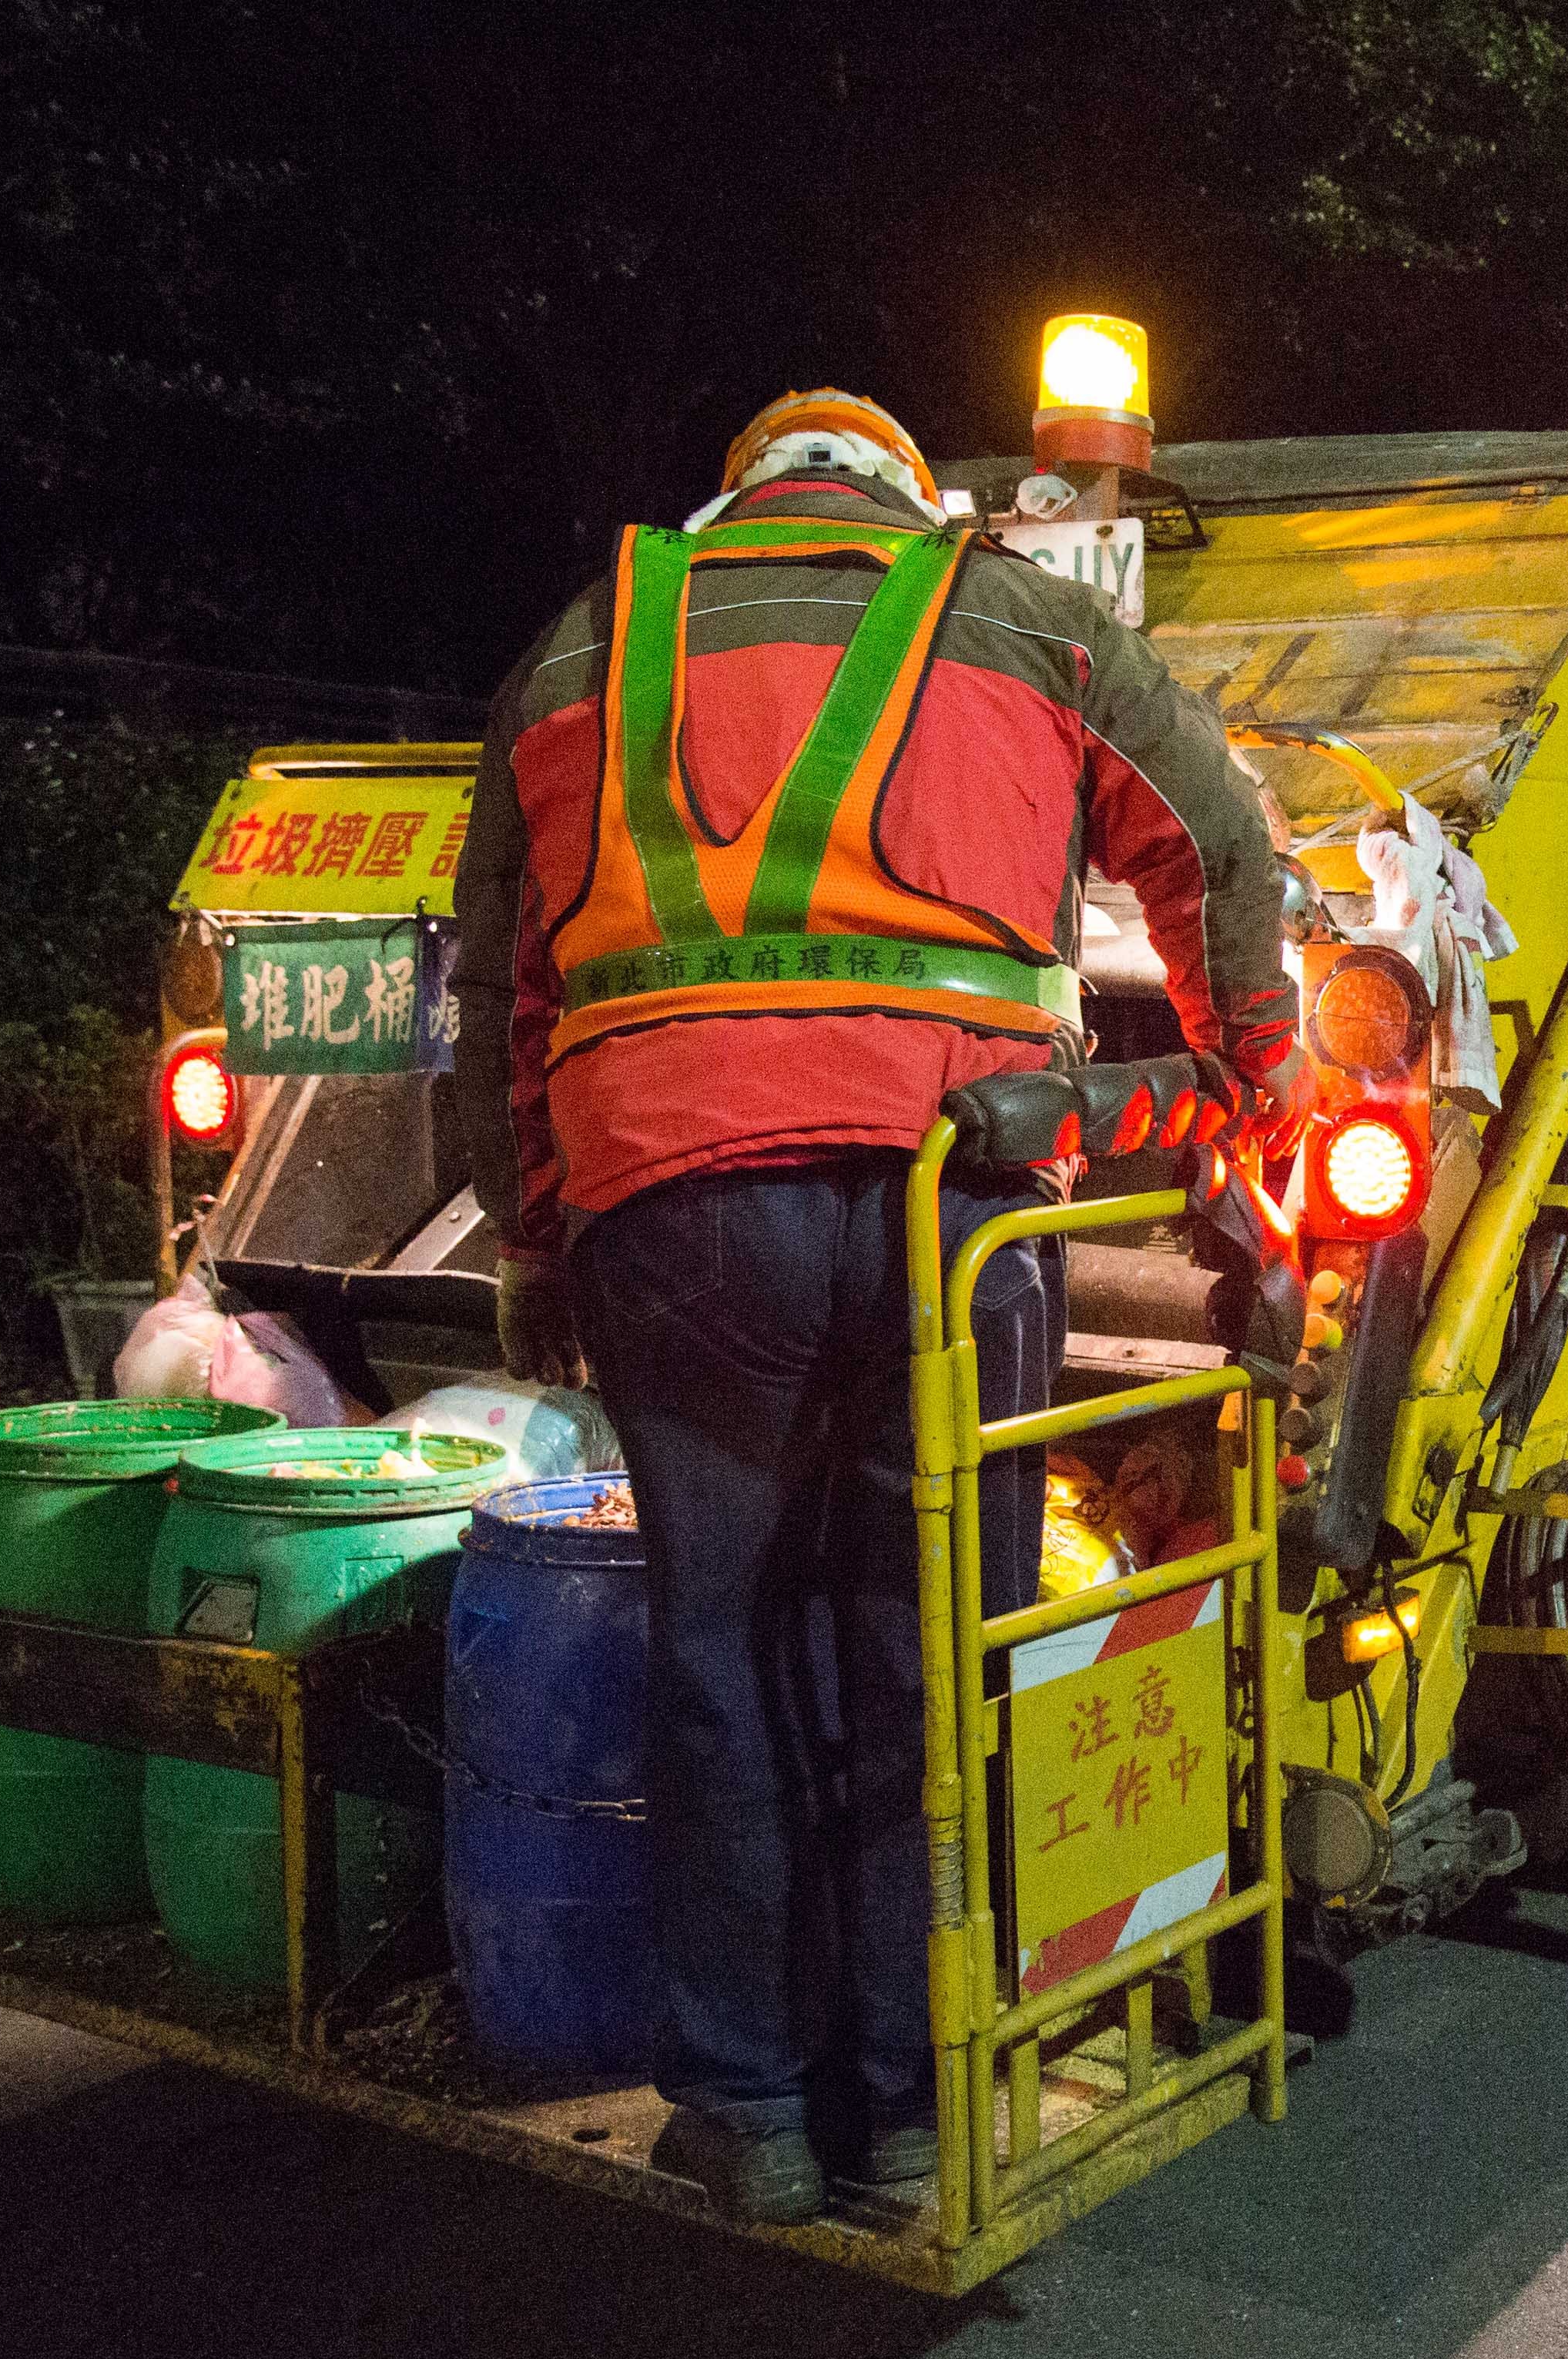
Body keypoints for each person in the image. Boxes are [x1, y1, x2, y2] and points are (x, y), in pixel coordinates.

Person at [454, 388, 1299, 2223]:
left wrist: (533, 1239)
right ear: (909, 499)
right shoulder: (1028, 616)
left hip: (671, 1208)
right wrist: (1240, 1108)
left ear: (737, 497)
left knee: (720, 1659)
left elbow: (501, 991)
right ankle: (915, 2114)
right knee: (930, 1643)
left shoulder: (583, 644)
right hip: (956, 1198)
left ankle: (749, 2114)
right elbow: (1222, 854)